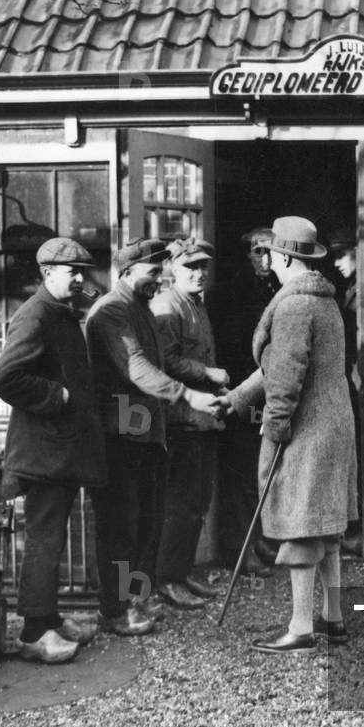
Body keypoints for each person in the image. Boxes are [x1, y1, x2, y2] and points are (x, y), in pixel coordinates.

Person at [227, 216, 357, 654]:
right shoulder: (324, 300)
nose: (268, 261)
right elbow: (278, 366)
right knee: (326, 525)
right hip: (334, 425)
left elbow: (285, 377)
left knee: (302, 526)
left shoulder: (293, 305)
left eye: (271, 255)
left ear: (283, 256)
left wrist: (274, 426)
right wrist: (239, 397)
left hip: (305, 429)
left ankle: (301, 627)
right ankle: (333, 618)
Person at [85, 237, 221, 633]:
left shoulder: (139, 307)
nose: (159, 277)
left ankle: (138, 599)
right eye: (151, 271)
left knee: (146, 524)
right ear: (127, 273)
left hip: (147, 435)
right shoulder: (112, 312)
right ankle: (114, 609)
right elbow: (138, 369)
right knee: (120, 528)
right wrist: (187, 395)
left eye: (161, 269)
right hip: (122, 436)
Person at [0, 237, 105, 664]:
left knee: (53, 538)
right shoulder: (35, 315)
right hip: (43, 455)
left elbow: (93, 297)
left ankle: (51, 618)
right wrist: (57, 396)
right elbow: (6, 379)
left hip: (59, 451)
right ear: (47, 274)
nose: (81, 278)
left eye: (83, 270)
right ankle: (35, 633)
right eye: (73, 271)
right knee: (44, 539)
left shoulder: (58, 310)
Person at [150, 238, 229, 610]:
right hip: (182, 419)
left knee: (197, 501)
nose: (199, 274)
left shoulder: (196, 304)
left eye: (203, 268)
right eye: (190, 268)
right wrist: (208, 373)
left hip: (203, 418)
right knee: (180, 503)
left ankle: (181, 573)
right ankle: (167, 579)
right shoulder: (167, 306)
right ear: (172, 270)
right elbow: (163, 361)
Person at [209, 227, 280, 576]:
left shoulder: (277, 288)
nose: (264, 259)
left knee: (264, 470)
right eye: (257, 252)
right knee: (241, 473)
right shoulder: (231, 294)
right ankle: (239, 548)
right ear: (247, 254)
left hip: (269, 393)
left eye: (270, 252)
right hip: (241, 393)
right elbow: (234, 350)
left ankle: (262, 537)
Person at [329, 229, 362, 555]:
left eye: (342, 255)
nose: (337, 263)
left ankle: (361, 529)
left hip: (360, 380)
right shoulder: (351, 289)